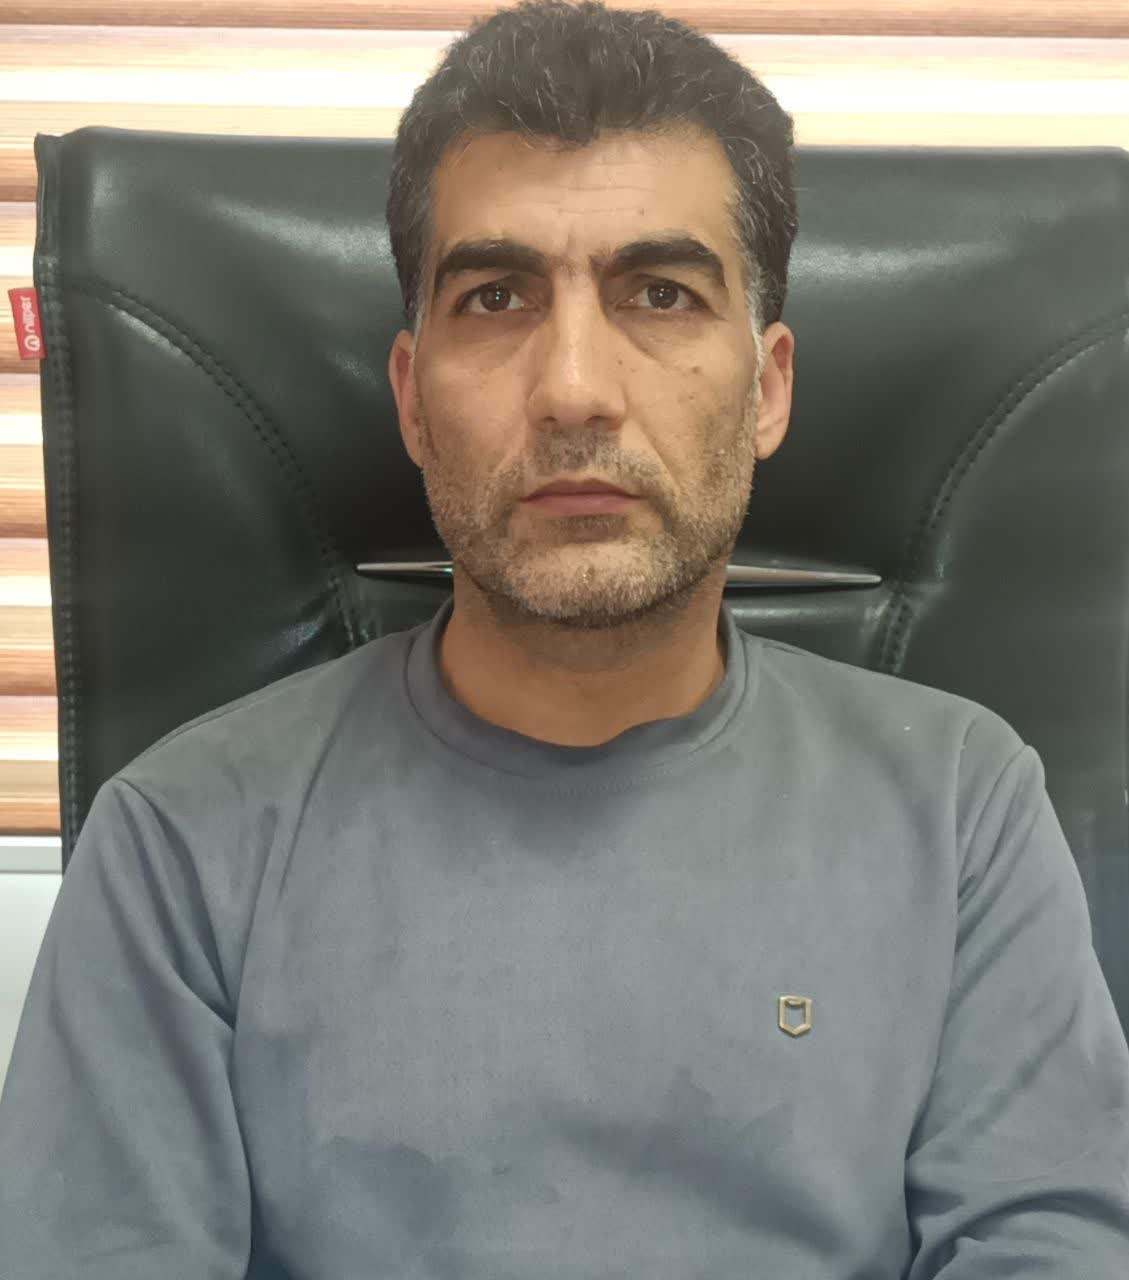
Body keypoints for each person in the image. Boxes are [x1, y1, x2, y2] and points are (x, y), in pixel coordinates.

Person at [2, 0, 1128, 1275]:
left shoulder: (964, 807)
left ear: (766, 387)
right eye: (495, 296)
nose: (576, 389)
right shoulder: (180, 844)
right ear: (412, 398)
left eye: (660, 293)